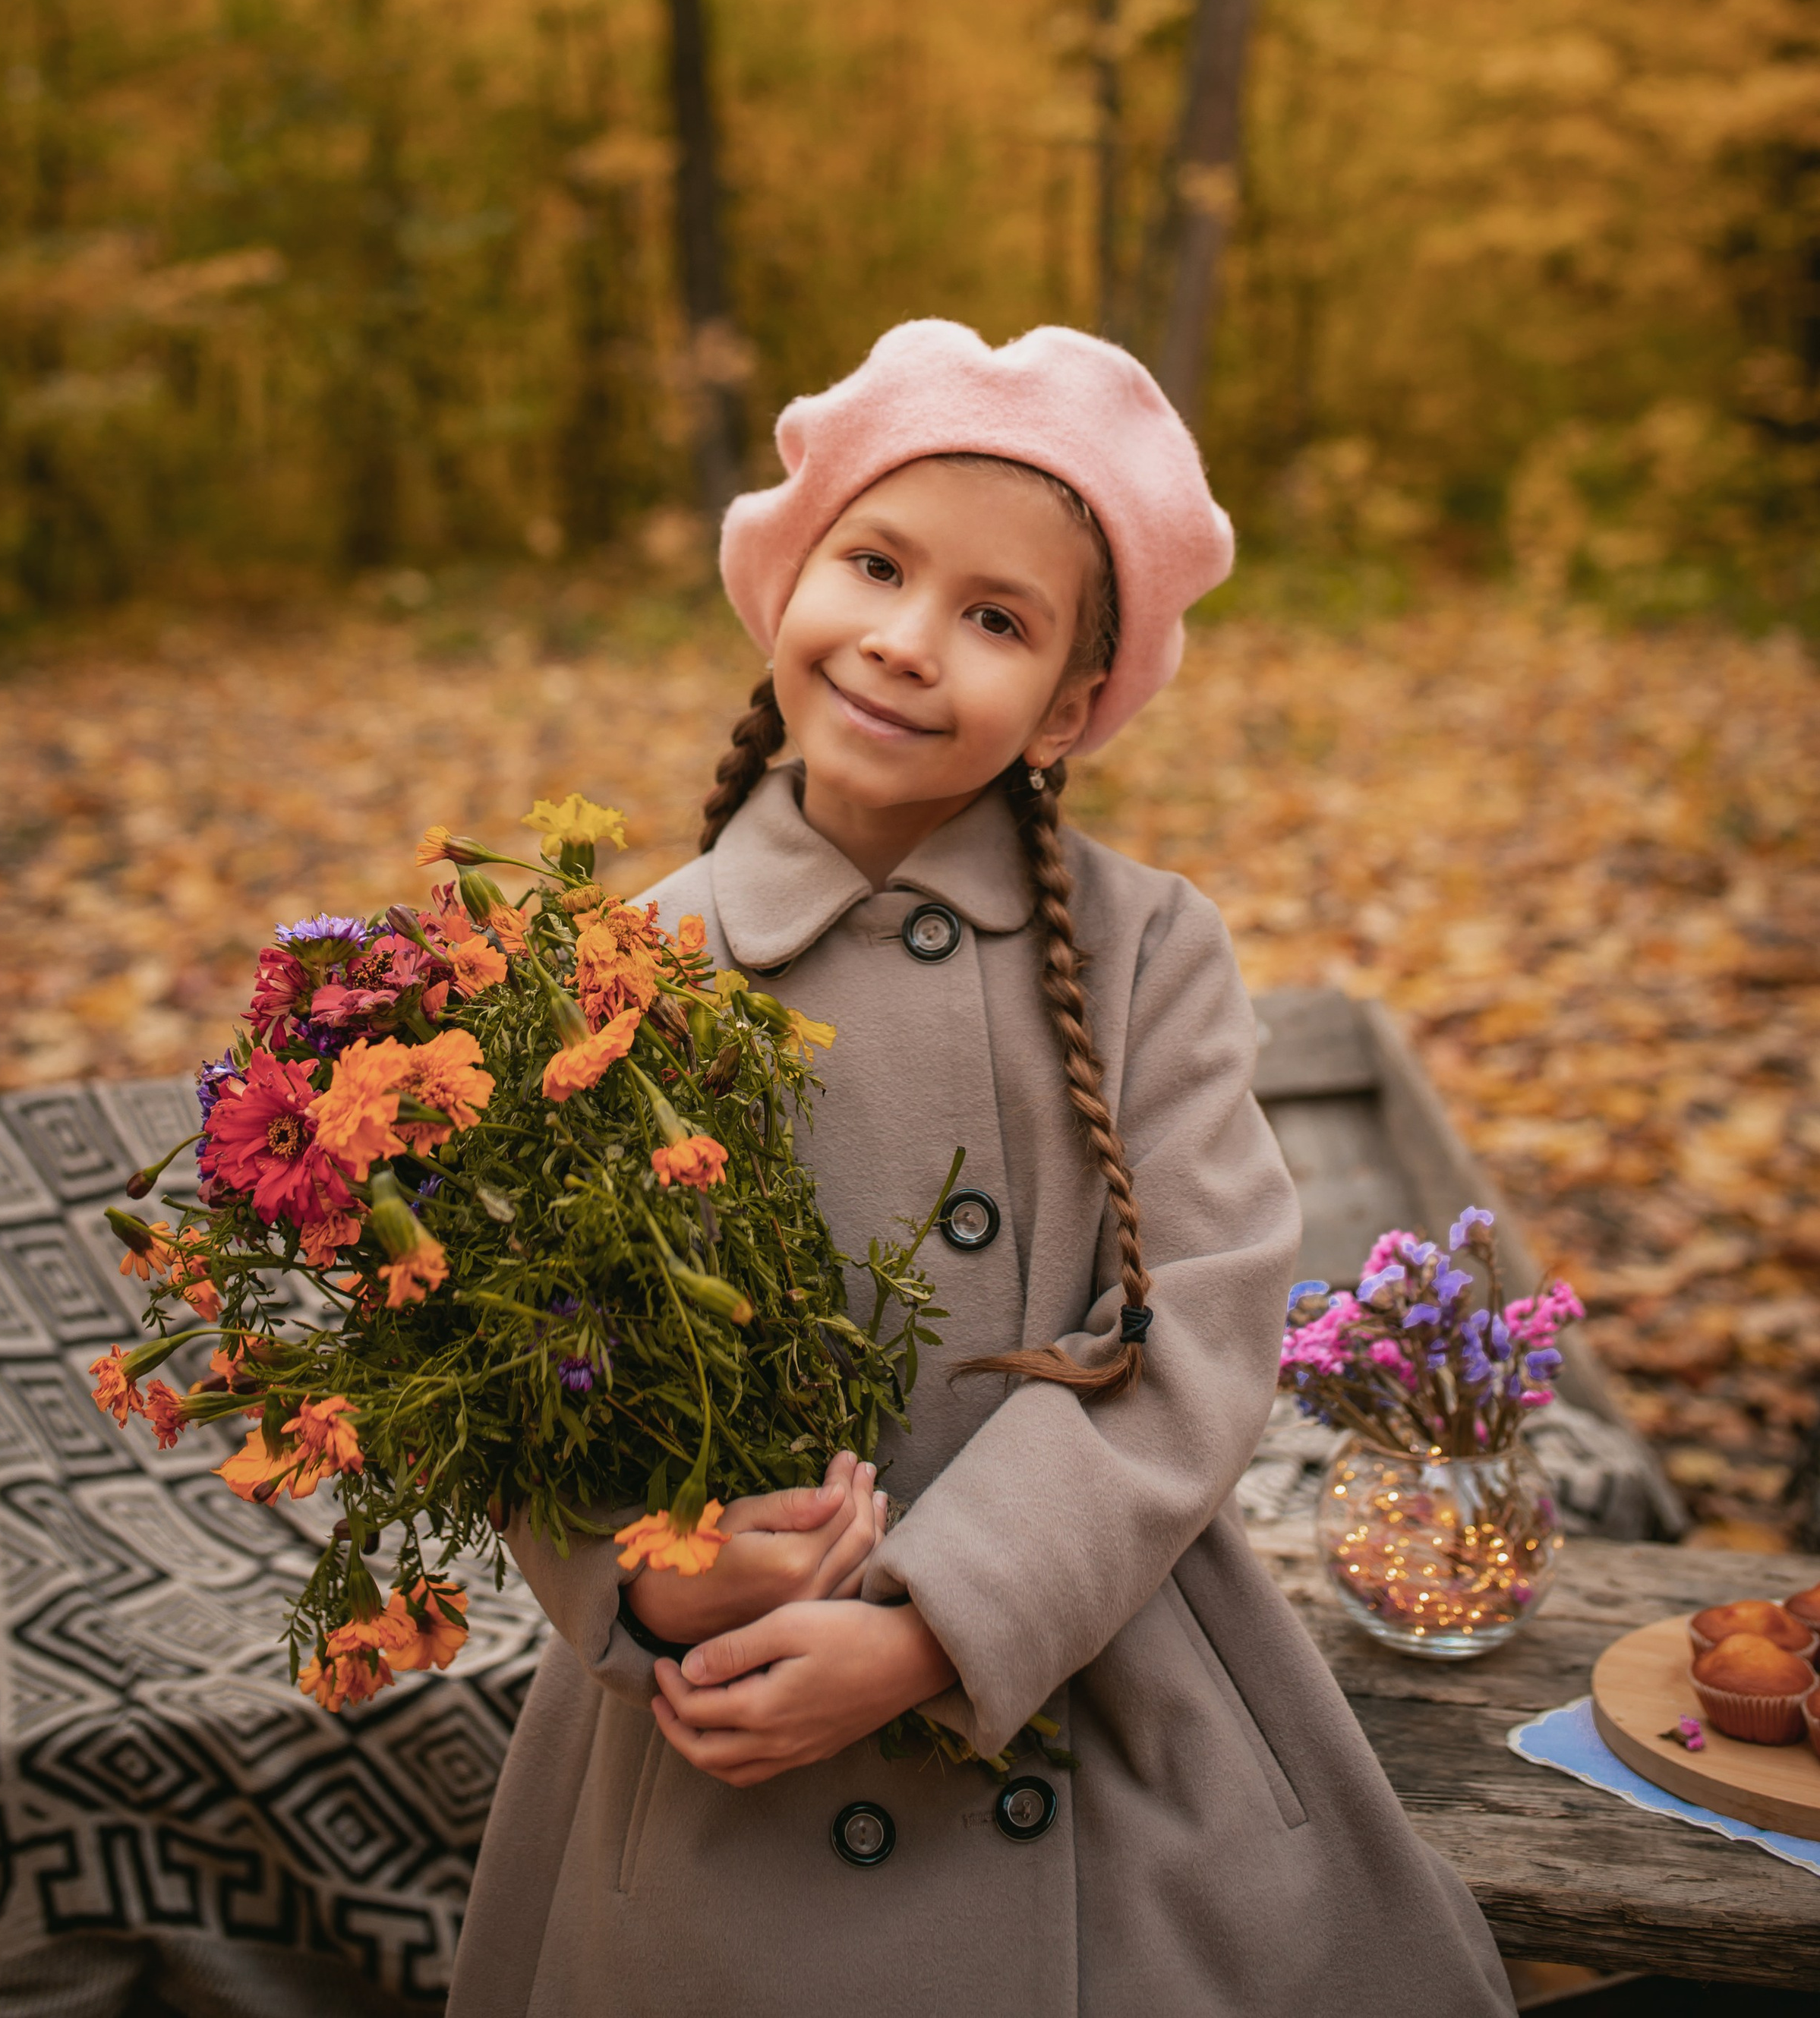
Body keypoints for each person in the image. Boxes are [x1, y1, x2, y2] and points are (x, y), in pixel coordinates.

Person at [449, 320, 1513, 2017]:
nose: (904, 642)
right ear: (792, 574)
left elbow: (1209, 1326)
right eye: (874, 563)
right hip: (725, 1741)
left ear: (1073, 704)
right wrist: (653, 1577)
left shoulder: (1147, 948)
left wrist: (935, 1626)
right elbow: (522, 1361)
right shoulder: (615, 966)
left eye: (995, 617)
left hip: (1087, 1679)